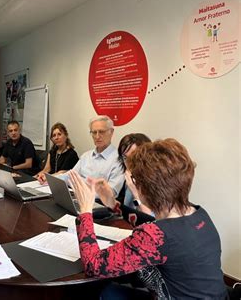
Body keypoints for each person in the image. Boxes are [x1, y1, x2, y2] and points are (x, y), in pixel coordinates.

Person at [69, 139, 227, 299]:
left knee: (105, 292)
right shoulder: (199, 214)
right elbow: (160, 230)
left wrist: (85, 212)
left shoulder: (154, 236)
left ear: (144, 187)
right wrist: (114, 205)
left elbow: (93, 266)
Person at [50, 115, 124, 198]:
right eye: (94, 132)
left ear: (111, 132)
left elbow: (111, 193)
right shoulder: (86, 156)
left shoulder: (118, 160)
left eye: (101, 132)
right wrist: (50, 179)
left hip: (97, 204)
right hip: (77, 197)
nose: (97, 136)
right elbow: (70, 176)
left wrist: (83, 192)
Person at [95, 133, 153, 218]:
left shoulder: (156, 181)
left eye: (134, 157)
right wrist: (110, 200)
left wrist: (136, 193)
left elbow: (153, 221)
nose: (129, 163)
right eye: (125, 158)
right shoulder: (129, 179)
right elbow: (127, 213)